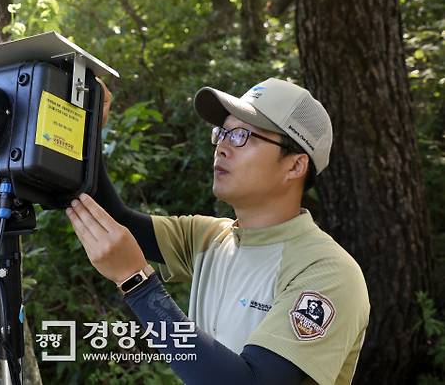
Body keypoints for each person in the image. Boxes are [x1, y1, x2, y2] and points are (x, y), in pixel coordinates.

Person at [65, 78, 370, 384]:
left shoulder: (327, 272)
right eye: (222, 132)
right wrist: (85, 128)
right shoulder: (211, 238)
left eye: (242, 135)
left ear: (295, 166)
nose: (222, 147)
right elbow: (114, 220)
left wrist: (137, 284)